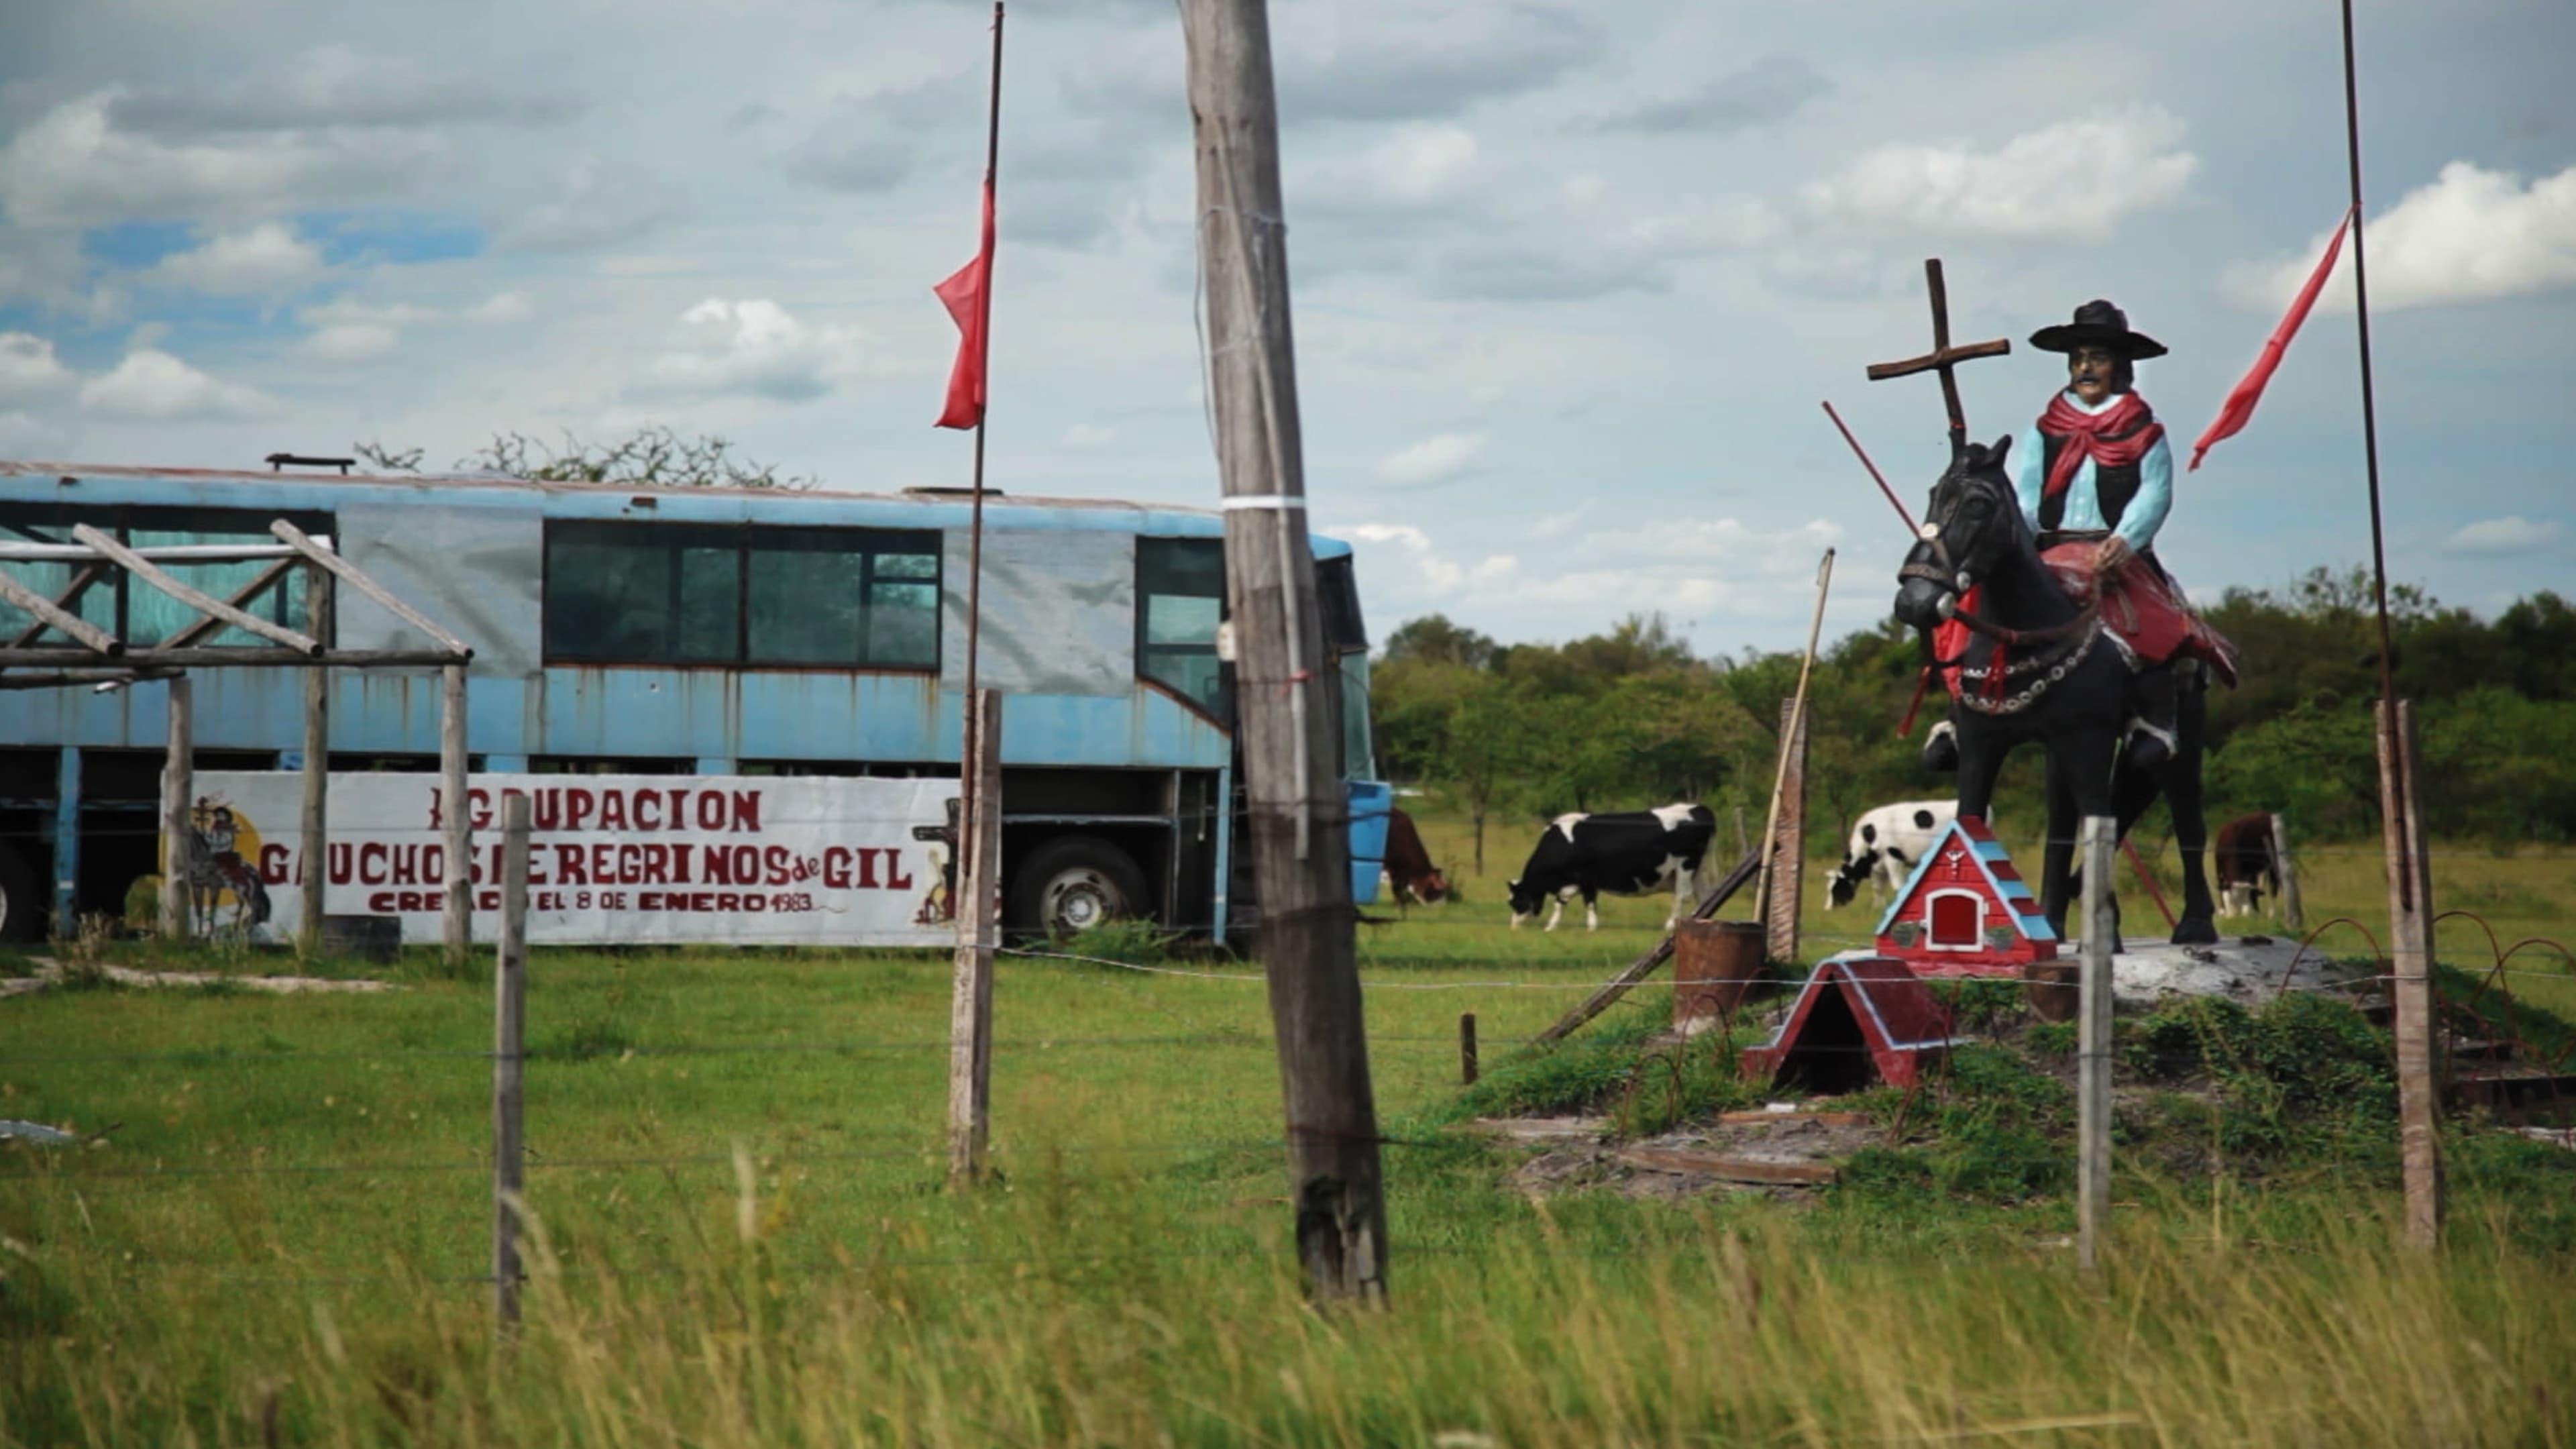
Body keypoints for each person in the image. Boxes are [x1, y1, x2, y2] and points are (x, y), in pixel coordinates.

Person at [1923, 299, 2228, 773]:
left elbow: (2155, 493)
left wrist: (2125, 540)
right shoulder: (2045, 431)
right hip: (2050, 546)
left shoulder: (2145, 432)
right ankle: (1959, 718)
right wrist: (2008, 543)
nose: (2086, 368)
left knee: (2154, 620)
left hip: (2115, 550)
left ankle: (2152, 720)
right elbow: (2025, 497)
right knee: (1972, 605)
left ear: (2119, 367)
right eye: (2079, 358)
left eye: (2098, 358)